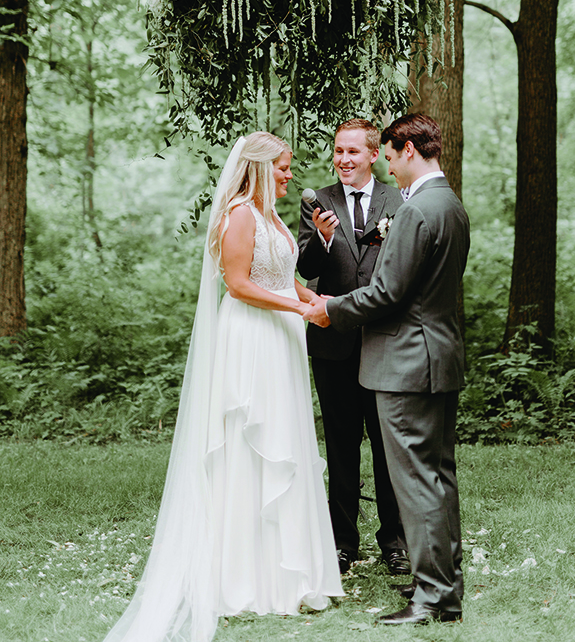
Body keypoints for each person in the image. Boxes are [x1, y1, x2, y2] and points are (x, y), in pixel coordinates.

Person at [103, 133, 343, 642]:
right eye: (281, 168)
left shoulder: (273, 216)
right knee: (250, 442)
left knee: (285, 440)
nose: (288, 176)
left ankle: (287, 571)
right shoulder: (238, 214)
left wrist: (319, 303)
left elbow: (281, 277)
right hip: (251, 337)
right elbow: (239, 284)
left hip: (279, 338)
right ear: (257, 168)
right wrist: (299, 308)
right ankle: (242, 574)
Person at [304, 114, 470, 626]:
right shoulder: (452, 206)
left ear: (408, 151)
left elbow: (387, 292)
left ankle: (429, 595)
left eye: (392, 157)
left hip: (404, 364)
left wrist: (328, 309)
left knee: (416, 481)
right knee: (439, 476)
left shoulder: (417, 211)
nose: (391, 170)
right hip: (439, 357)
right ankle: (446, 588)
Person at [297, 118, 409, 578]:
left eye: (353, 152)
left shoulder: (397, 200)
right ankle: (342, 543)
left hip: (383, 341)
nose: (344, 159)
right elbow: (304, 267)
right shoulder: (316, 201)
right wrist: (322, 238)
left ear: (373, 155)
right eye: (338, 151)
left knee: (386, 447)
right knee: (342, 446)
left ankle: (396, 541)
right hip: (333, 345)